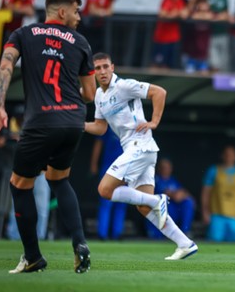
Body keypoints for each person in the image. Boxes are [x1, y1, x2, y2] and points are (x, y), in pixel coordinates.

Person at [0, 0, 95, 273]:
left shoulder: (23, 34)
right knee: (59, 180)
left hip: (41, 122)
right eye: (76, 11)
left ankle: (33, 256)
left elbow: (6, 65)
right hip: (73, 121)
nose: (79, 16)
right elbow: (89, 92)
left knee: (19, 185)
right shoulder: (81, 42)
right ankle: (80, 243)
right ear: (62, 12)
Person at [84, 52, 198, 260]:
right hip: (136, 150)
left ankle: (157, 200)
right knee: (144, 207)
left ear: (112, 67)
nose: (102, 71)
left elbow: (159, 92)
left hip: (140, 146)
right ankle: (185, 243)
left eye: (105, 66)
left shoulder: (124, 85)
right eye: (97, 68)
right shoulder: (99, 96)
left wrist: (154, 122)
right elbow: (100, 128)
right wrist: (78, 125)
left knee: (105, 189)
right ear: (93, 72)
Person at [201, 145, 235, 242]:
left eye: (231, 155)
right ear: (222, 156)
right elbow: (206, 192)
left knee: (234, 245)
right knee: (214, 243)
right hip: (216, 215)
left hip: (234, 216)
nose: (229, 157)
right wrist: (205, 211)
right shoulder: (214, 170)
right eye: (226, 154)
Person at [89, 128, 127, 240]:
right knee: (105, 200)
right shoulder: (109, 124)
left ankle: (117, 233)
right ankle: (102, 233)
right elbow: (98, 144)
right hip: (108, 167)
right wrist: (94, 164)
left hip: (125, 168)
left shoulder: (130, 124)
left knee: (122, 200)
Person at [148, 158, 195, 239]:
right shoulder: (156, 179)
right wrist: (176, 195)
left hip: (174, 211)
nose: (166, 169)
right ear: (159, 168)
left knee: (188, 202)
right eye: (163, 167)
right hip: (159, 213)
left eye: (168, 167)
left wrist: (181, 195)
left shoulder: (173, 180)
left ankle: (184, 231)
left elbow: (183, 193)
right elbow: (167, 194)